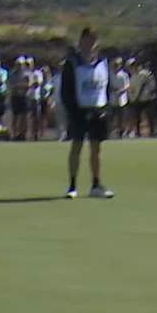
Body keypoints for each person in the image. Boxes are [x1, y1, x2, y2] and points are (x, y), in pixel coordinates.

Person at [60, 27, 115, 199]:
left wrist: (106, 108)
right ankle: (72, 185)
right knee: (76, 147)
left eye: (93, 40)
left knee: (96, 149)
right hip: (79, 112)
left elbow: (107, 87)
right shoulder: (72, 63)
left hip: (99, 112)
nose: (90, 43)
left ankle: (96, 184)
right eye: (87, 39)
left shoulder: (103, 62)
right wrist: (73, 110)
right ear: (81, 41)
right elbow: (66, 90)